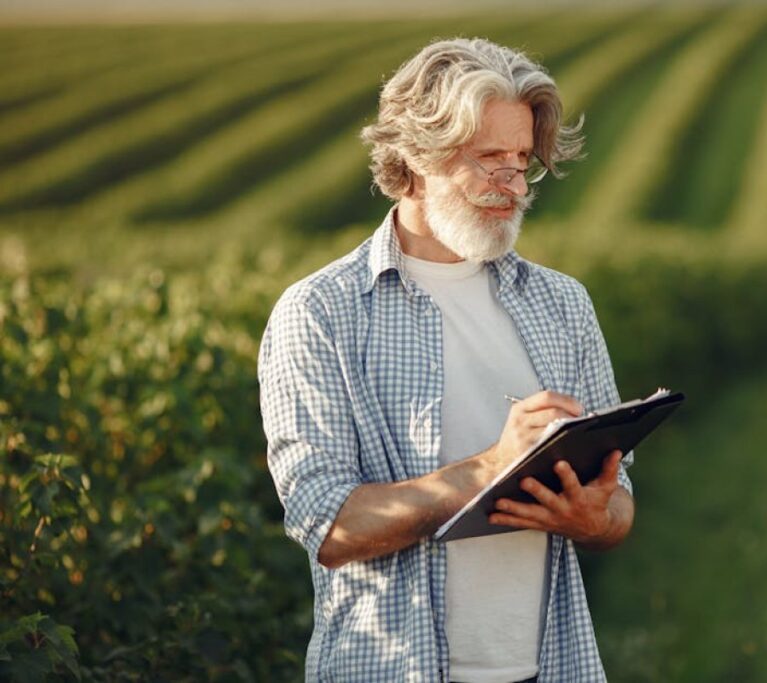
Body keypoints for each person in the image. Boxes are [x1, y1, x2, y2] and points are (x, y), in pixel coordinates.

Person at [258, 36, 635, 682]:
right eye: (489, 160)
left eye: (522, 162)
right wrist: (491, 466)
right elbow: (327, 525)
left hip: (551, 668)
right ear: (415, 156)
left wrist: (593, 518)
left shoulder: (562, 304)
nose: (512, 186)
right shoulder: (321, 313)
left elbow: (620, 499)